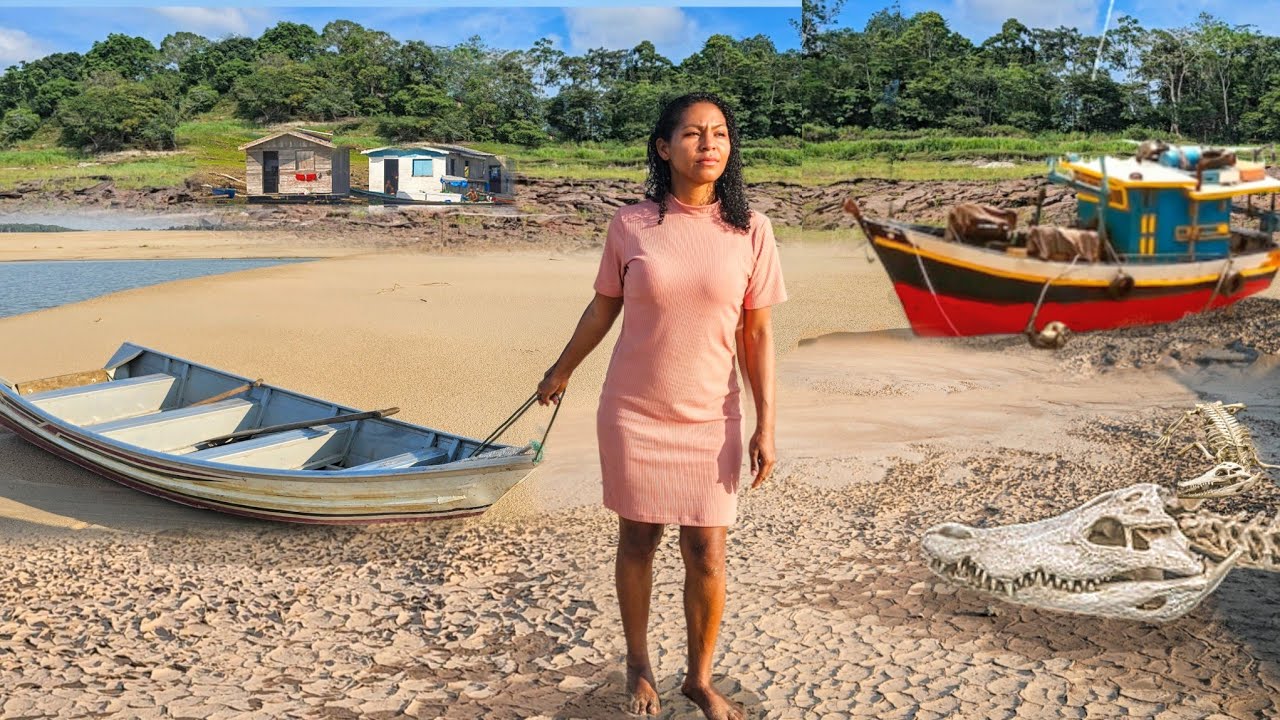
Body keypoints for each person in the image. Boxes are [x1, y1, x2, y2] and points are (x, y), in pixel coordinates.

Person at [535, 92, 787, 720]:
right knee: (639, 538)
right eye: (695, 134)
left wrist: (766, 426)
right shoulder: (632, 225)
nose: (709, 145)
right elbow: (603, 308)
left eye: (721, 134)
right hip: (635, 410)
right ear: (664, 147)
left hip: (713, 414)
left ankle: (699, 679)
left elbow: (755, 334)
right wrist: (561, 369)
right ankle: (639, 664)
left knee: (708, 549)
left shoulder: (750, 229)